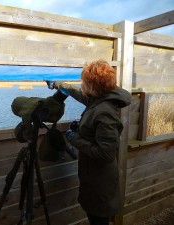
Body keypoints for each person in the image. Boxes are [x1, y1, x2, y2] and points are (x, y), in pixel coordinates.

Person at [45, 59, 131, 225]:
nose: (81, 84)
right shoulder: (100, 100)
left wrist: (73, 138)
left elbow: (105, 153)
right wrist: (57, 84)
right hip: (94, 178)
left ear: (92, 86)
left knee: (98, 220)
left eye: (83, 82)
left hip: (100, 183)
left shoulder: (104, 111)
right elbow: (78, 93)